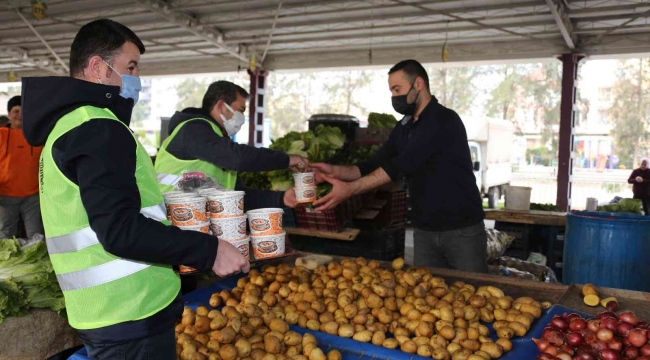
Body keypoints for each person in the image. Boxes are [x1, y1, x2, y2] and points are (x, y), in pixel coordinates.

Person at [22, 19, 249, 360]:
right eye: (130, 67)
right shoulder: (97, 126)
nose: (137, 81)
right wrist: (210, 250)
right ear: (98, 67)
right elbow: (120, 230)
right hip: (129, 313)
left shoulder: (69, 125)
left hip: (103, 312)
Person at [311, 59, 487, 273]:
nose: (394, 97)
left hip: (461, 231)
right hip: (424, 230)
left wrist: (349, 190)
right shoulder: (404, 126)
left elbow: (401, 165)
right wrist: (335, 171)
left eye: (397, 89)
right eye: (392, 91)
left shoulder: (443, 120)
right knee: (429, 296)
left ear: (419, 84)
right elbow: (375, 163)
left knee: (476, 293)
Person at [155, 80, 307, 209]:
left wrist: (281, 199)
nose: (241, 118)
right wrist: (286, 160)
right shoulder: (193, 130)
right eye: (240, 111)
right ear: (221, 106)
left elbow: (236, 196)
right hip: (172, 225)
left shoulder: (217, 140)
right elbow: (238, 157)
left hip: (198, 228)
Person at [0, 96, 44, 238]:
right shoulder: (1, 134)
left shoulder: (37, 136)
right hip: (5, 195)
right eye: (16, 111)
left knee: (36, 235)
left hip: (33, 196)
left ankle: (34, 261)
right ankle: (7, 261)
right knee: (5, 235)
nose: (19, 114)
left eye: (23, 111)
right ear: (9, 114)